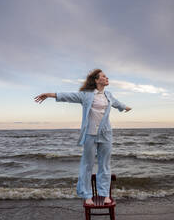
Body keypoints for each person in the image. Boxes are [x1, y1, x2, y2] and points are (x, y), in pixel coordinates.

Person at [34, 69, 132, 205]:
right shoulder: (86, 95)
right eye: (104, 76)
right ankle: (87, 194)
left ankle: (104, 194)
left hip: (106, 134)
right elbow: (68, 96)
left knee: (105, 165)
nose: (107, 77)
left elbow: (116, 103)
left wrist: (126, 107)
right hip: (90, 134)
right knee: (87, 165)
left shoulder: (108, 94)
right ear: (97, 80)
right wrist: (50, 95)